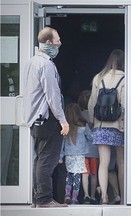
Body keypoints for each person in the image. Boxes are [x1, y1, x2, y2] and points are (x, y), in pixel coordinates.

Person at [23, 26, 69, 208]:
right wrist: (63, 120)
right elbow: (52, 95)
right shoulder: (46, 64)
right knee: (48, 160)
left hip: (35, 119)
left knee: (40, 159)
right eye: (57, 39)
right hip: (47, 118)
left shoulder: (31, 62)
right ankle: (44, 200)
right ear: (48, 42)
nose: (60, 43)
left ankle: (37, 198)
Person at [88, 49, 125, 204]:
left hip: (101, 125)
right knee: (121, 161)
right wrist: (124, 124)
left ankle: (104, 196)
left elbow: (92, 103)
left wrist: (92, 121)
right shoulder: (125, 78)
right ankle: (124, 197)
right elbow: (123, 104)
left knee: (103, 162)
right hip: (118, 126)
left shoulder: (99, 77)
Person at [59, 103, 91, 205]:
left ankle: (67, 194)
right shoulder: (83, 127)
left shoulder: (65, 128)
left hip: (68, 155)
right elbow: (91, 137)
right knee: (77, 176)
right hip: (80, 155)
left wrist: (60, 156)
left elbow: (61, 144)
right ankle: (74, 198)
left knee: (69, 175)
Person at [78, 90, 100, 205]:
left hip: (84, 150)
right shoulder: (96, 115)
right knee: (94, 174)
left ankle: (86, 195)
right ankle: (92, 196)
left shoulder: (80, 115)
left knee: (85, 174)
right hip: (95, 150)